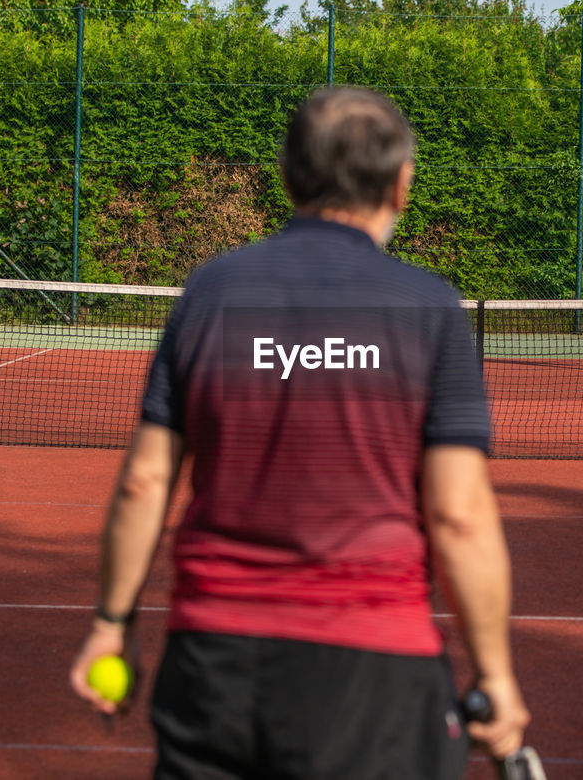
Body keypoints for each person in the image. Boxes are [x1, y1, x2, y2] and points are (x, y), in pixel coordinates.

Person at [70, 86, 530, 779]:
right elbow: (459, 514)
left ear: (286, 176)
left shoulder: (211, 292)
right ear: (403, 185)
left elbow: (145, 479)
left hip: (214, 663)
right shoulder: (429, 307)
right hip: (376, 673)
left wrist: (113, 623)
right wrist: (495, 672)